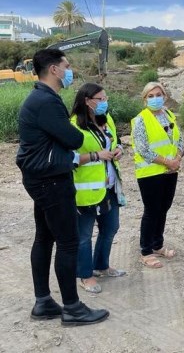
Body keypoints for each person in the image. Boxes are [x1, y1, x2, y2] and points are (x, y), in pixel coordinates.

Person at [16, 48, 109, 326]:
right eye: (66, 65)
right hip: (52, 180)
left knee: (44, 238)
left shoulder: (40, 98)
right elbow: (73, 138)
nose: (70, 70)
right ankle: (72, 308)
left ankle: (44, 302)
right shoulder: (47, 101)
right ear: (54, 69)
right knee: (68, 242)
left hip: (41, 177)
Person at [70, 83, 127, 294]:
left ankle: (101, 266)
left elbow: (115, 141)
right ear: (87, 100)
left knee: (110, 228)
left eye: (106, 98)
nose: (105, 103)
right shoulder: (73, 126)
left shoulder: (106, 119)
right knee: (84, 235)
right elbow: (68, 157)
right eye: (100, 99)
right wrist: (96, 155)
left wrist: (119, 149)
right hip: (86, 192)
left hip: (109, 186)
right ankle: (85, 276)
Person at [131, 82, 184, 268]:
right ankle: (146, 251)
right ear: (145, 99)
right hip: (151, 173)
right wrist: (169, 162)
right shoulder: (141, 120)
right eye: (150, 96)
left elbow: (179, 139)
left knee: (163, 208)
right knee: (152, 210)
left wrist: (177, 158)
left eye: (158, 94)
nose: (155, 98)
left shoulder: (168, 115)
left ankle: (157, 245)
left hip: (170, 171)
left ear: (165, 96)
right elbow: (144, 150)